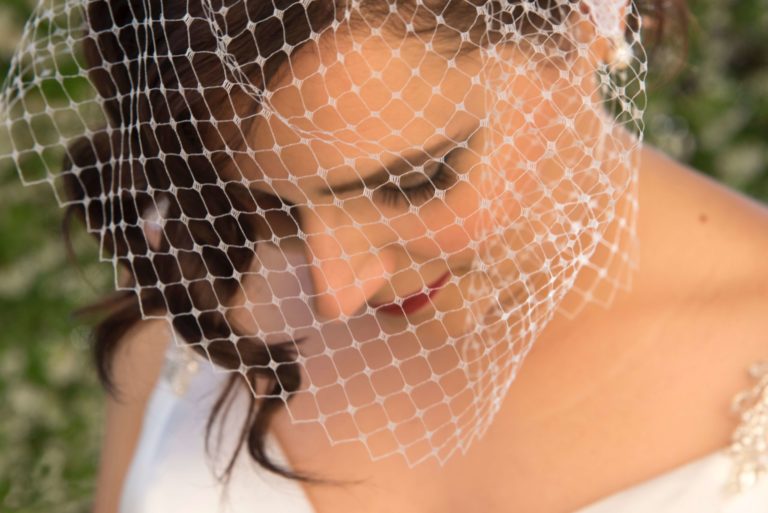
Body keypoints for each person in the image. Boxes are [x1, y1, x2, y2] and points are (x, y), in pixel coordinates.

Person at [1, 0, 767, 512]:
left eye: (414, 181)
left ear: (586, 21)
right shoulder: (200, 288)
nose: (335, 292)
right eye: (267, 205)